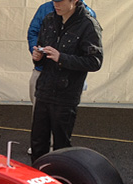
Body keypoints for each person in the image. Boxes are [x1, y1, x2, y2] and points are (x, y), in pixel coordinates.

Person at [29, 0, 102, 164]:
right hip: (44, 90)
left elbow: (95, 61)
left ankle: (59, 178)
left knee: (61, 148)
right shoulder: (49, 19)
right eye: (54, 0)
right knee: (37, 144)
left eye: (60, 1)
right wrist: (38, 57)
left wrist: (62, 58)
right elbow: (40, 46)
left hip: (66, 94)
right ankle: (36, 176)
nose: (56, 4)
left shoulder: (88, 24)